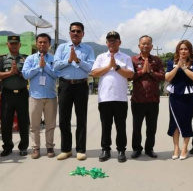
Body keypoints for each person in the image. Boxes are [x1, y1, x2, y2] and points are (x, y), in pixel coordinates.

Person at [53, 22, 95, 161]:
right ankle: (66, 149)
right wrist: (69, 60)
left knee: (81, 118)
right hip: (65, 85)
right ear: (69, 33)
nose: (75, 33)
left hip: (81, 86)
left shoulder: (88, 49)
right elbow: (56, 65)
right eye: (73, 31)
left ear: (83, 33)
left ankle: (81, 150)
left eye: (78, 31)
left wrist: (78, 60)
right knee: (64, 119)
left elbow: (90, 68)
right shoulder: (62, 47)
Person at [91, 31, 134, 163]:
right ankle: (106, 150)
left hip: (120, 98)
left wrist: (116, 67)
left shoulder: (126, 57)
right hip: (104, 98)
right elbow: (94, 73)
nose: (112, 42)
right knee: (106, 126)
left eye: (115, 40)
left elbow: (130, 74)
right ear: (106, 43)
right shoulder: (101, 57)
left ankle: (121, 150)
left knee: (121, 126)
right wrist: (109, 66)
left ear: (119, 42)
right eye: (110, 40)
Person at [22, 33, 58, 159]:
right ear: (36, 44)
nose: (42, 44)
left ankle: (49, 147)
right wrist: (38, 67)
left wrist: (45, 66)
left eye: (45, 42)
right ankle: (36, 148)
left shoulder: (54, 59)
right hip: (35, 97)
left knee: (50, 125)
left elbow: (56, 74)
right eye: (40, 42)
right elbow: (25, 75)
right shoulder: (30, 59)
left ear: (49, 44)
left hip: (51, 96)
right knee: (34, 125)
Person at [0, 36, 29, 157]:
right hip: (7, 94)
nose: (14, 45)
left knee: (24, 121)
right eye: (11, 43)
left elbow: (31, 73)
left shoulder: (26, 58)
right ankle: (7, 146)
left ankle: (23, 146)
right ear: (7, 44)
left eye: (16, 43)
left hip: (22, 93)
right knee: (6, 122)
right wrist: (10, 73)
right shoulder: (2, 59)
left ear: (20, 45)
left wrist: (19, 73)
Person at [165, 40, 193, 160]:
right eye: (181, 49)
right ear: (178, 51)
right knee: (174, 122)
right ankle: (176, 147)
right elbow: (168, 77)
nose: (183, 51)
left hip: (188, 96)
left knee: (186, 121)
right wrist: (177, 67)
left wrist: (185, 68)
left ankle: (185, 147)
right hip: (174, 96)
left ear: (190, 51)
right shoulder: (171, 62)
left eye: (186, 49)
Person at [130, 35, 165, 159]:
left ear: (151, 46)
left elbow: (162, 77)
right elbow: (129, 76)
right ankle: (136, 149)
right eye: (143, 43)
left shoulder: (157, 60)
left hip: (153, 100)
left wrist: (150, 72)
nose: (145, 45)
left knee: (151, 127)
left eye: (148, 43)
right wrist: (142, 72)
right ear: (139, 45)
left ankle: (149, 149)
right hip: (137, 100)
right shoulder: (133, 60)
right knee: (136, 127)